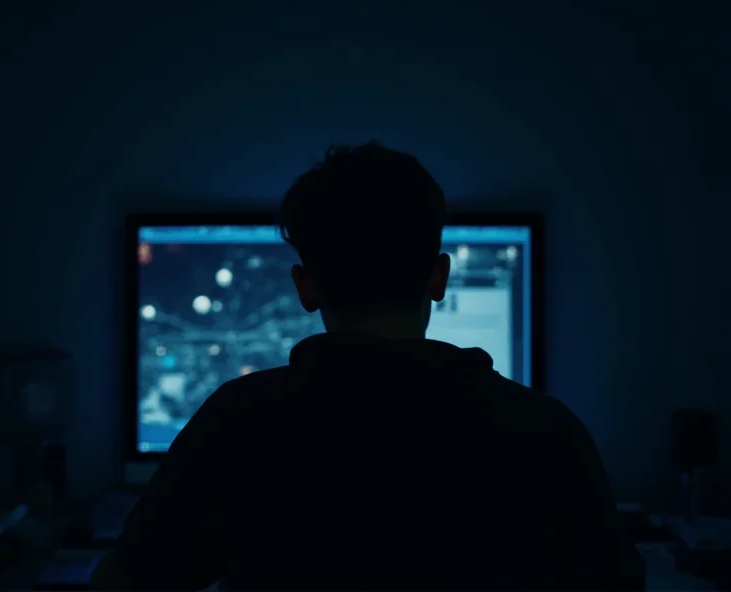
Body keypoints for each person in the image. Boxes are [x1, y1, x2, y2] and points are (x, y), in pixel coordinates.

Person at [91, 143, 645, 590]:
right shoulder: (549, 432)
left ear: (305, 288)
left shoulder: (236, 423)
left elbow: (125, 583)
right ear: (439, 278)